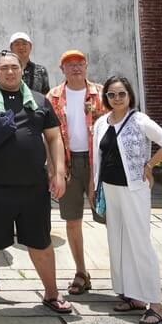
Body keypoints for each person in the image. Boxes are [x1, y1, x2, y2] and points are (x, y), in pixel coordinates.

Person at [0, 50, 71, 318]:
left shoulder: (39, 101)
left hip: (33, 188)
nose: (10, 71)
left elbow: (54, 138)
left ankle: (52, 294)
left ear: (22, 70)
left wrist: (58, 172)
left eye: (15, 67)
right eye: (4, 68)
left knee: (41, 243)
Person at [93, 74, 162, 324]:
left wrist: (149, 164)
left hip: (134, 189)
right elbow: (98, 157)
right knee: (118, 242)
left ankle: (156, 304)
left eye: (121, 94)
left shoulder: (139, 120)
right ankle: (132, 296)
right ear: (105, 97)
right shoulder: (101, 122)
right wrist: (95, 187)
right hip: (110, 188)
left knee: (139, 243)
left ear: (129, 95)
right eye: (111, 94)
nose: (117, 98)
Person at [47, 49, 105, 295]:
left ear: (87, 65)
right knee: (73, 221)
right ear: (62, 69)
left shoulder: (101, 93)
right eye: (70, 64)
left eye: (80, 63)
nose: (76, 68)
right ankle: (81, 272)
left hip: (98, 163)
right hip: (68, 163)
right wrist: (53, 169)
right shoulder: (53, 96)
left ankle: (125, 275)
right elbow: (47, 136)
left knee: (109, 219)